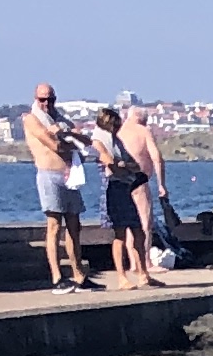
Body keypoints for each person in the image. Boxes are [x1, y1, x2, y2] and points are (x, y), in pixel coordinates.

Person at [24, 85, 91, 289]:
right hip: (49, 174)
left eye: (50, 100)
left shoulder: (61, 120)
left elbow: (86, 142)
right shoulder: (32, 119)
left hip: (69, 176)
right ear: (36, 99)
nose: (47, 104)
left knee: (74, 225)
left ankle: (79, 274)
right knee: (54, 225)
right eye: (42, 100)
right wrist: (68, 139)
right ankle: (57, 276)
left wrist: (67, 133)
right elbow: (54, 145)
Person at [97, 101, 154, 286]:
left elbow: (134, 165)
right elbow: (110, 164)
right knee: (119, 234)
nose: (117, 129)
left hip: (126, 188)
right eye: (114, 125)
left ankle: (143, 273)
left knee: (138, 231)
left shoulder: (118, 142)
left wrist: (125, 166)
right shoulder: (100, 141)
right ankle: (122, 277)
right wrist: (123, 167)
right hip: (113, 188)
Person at [118, 96, 175, 268]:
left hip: (120, 181)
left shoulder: (119, 132)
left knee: (128, 224)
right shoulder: (143, 131)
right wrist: (161, 184)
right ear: (142, 119)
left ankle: (133, 263)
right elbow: (156, 158)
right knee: (144, 222)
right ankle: (146, 263)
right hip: (138, 180)